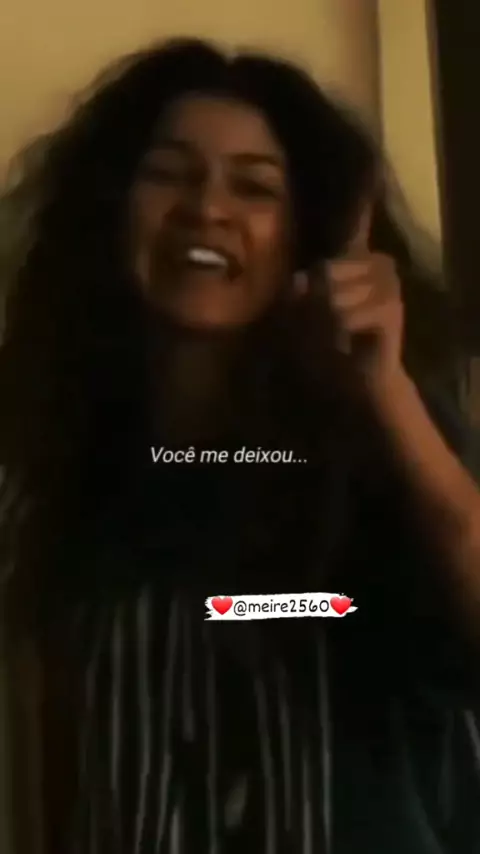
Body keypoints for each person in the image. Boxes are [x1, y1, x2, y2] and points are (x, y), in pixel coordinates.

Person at [1, 38, 480, 854]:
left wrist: (383, 389)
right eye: (169, 173)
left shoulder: (382, 438)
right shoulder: (56, 454)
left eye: (254, 186)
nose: (206, 208)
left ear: (305, 234)